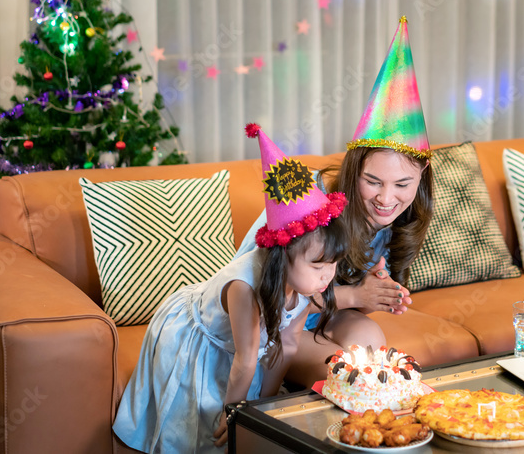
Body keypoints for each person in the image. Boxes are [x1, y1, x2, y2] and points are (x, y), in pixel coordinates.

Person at [113, 124, 349, 453]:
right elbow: (246, 359)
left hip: (242, 350)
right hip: (200, 335)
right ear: (283, 254)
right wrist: (236, 414)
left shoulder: (309, 285)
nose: (328, 276)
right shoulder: (245, 286)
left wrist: (264, 408)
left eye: (334, 263)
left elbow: (289, 344)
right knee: (200, 428)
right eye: (318, 265)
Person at [236, 16, 434, 386]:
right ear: (353, 170)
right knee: (354, 376)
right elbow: (271, 301)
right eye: (372, 181)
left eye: (402, 184)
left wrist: (378, 294)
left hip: (323, 316)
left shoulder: (404, 218)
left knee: (372, 341)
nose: (386, 199)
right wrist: (356, 294)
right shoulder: (313, 205)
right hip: (274, 324)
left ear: (422, 173)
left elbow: (351, 293)